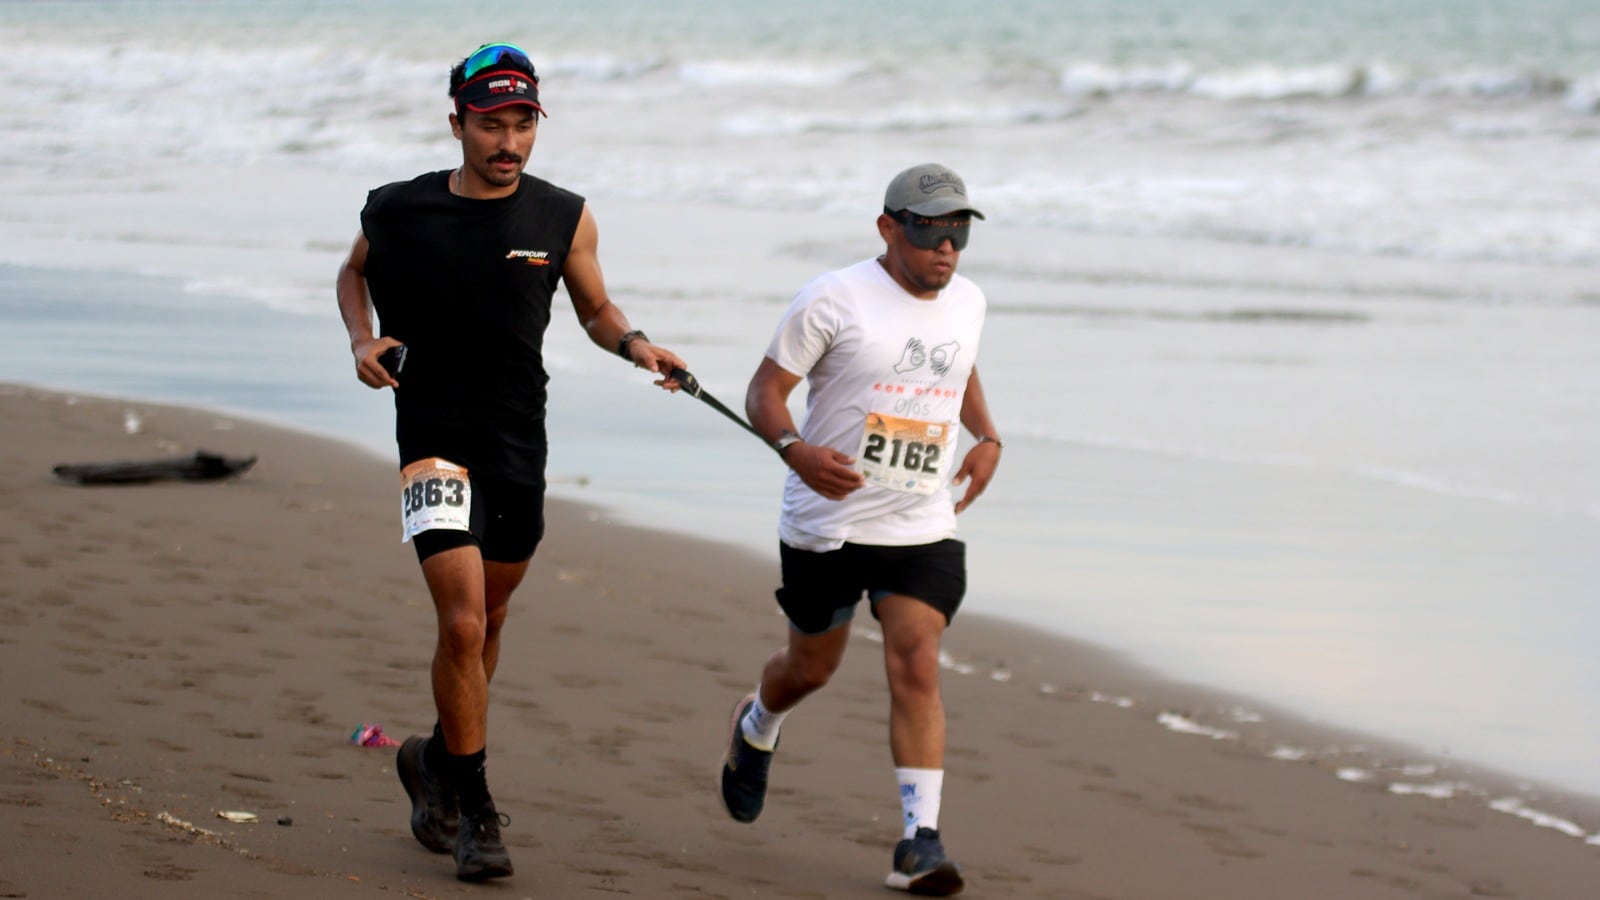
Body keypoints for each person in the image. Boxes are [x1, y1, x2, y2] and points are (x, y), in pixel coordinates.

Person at [335, 42, 686, 882]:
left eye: (523, 124)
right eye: (492, 124)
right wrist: (360, 338)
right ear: (457, 123)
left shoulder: (563, 216)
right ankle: (477, 810)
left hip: (518, 441)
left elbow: (596, 309)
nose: (509, 142)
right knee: (461, 623)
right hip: (430, 436)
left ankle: (433, 760)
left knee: (489, 622)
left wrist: (637, 344)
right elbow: (353, 272)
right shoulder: (398, 208)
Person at [720, 163, 1002, 896]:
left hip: (920, 520)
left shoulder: (968, 300)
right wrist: (796, 450)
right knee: (810, 669)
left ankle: (919, 841)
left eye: (959, 230)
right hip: (829, 521)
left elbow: (958, 366)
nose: (946, 247)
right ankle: (757, 722)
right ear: (888, 228)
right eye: (929, 230)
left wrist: (987, 435)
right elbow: (765, 391)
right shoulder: (833, 298)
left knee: (917, 660)